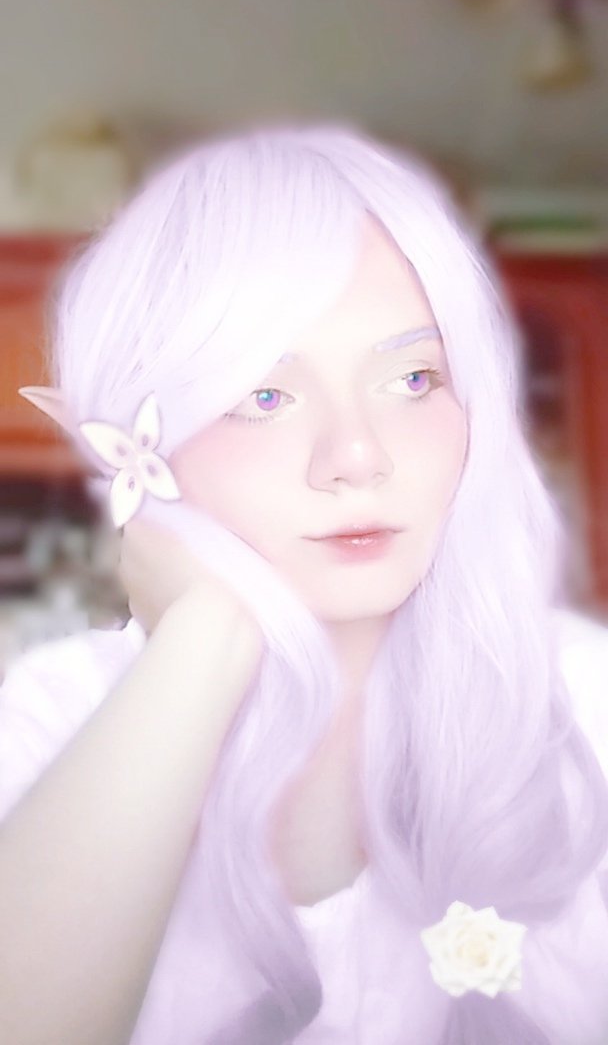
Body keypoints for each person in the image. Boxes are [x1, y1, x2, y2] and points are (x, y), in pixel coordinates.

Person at [1, 120, 608, 1045]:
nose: (357, 457)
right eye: (265, 396)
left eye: (414, 378)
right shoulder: (53, 720)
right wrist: (203, 636)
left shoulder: (585, 699)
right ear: (138, 443)